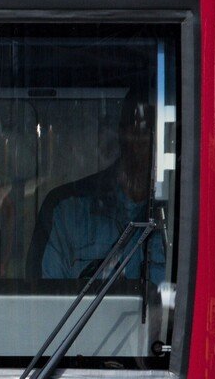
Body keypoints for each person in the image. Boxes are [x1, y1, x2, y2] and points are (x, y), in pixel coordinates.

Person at [30, 96, 166, 286]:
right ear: (121, 134)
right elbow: (44, 301)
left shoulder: (182, 218)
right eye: (139, 130)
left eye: (156, 134)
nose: (146, 143)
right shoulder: (68, 210)